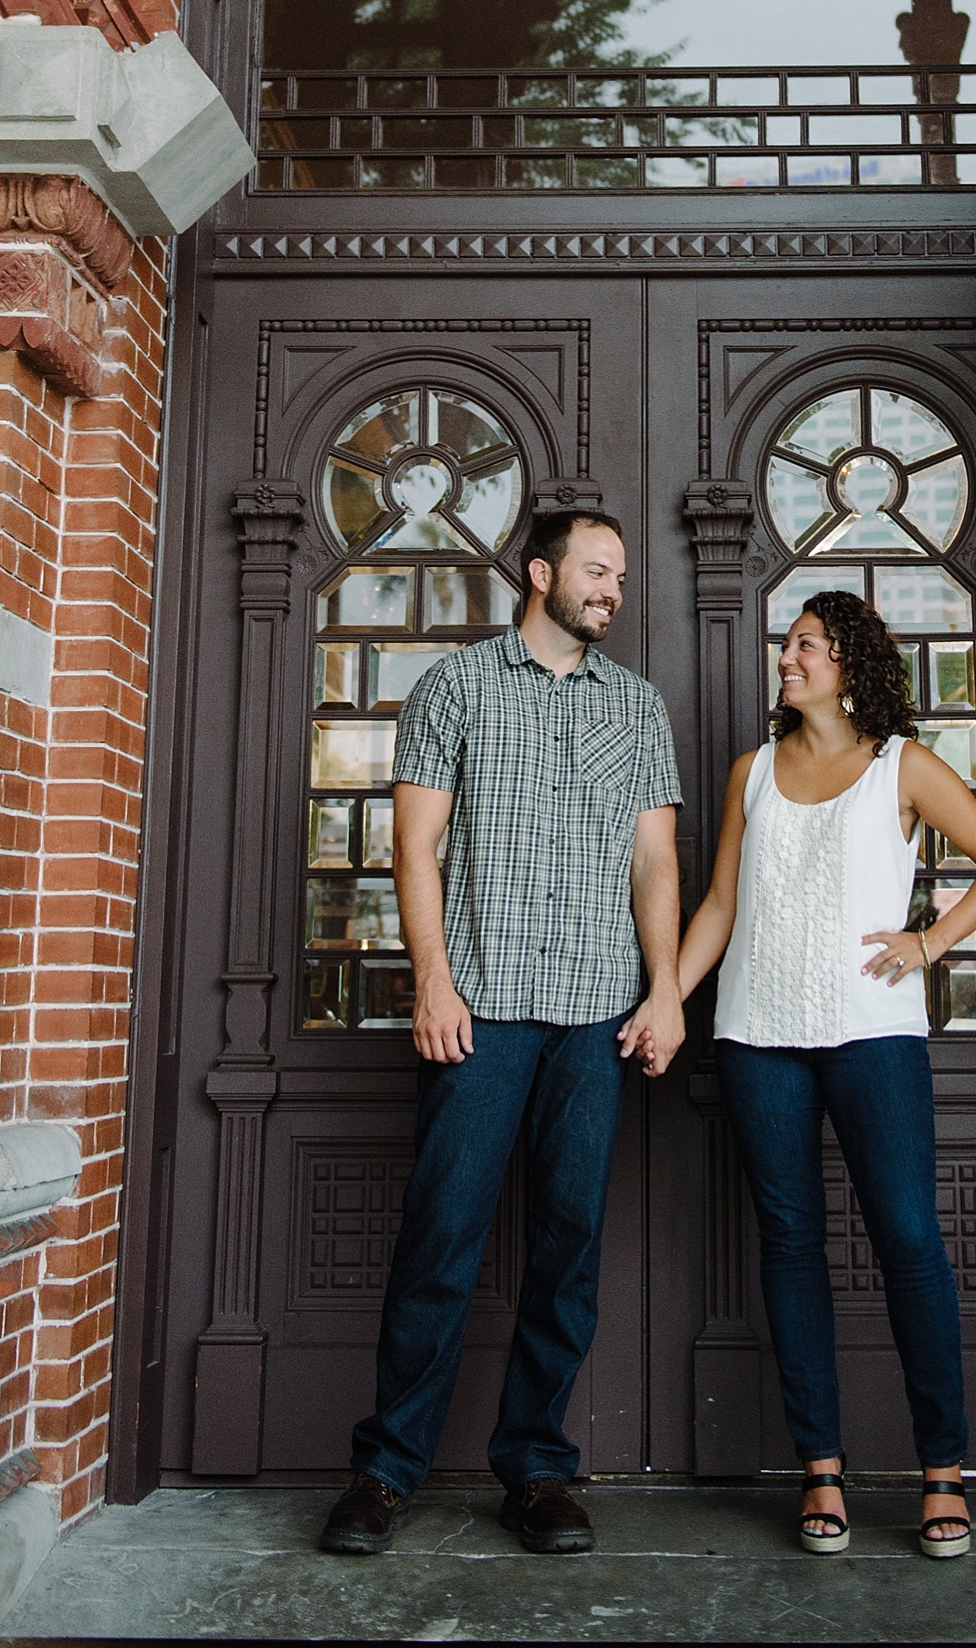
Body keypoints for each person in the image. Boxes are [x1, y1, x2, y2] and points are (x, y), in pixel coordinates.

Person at [623, 588, 976, 1560]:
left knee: (908, 1239)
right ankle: (822, 1468)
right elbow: (720, 900)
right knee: (791, 1244)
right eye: (788, 643)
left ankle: (942, 1470)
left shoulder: (904, 765)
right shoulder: (751, 772)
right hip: (758, 1035)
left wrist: (929, 942)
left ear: (846, 660)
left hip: (874, 1035)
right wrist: (668, 993)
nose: (786, 657)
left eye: (804, 644)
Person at [321, 509, 684, 1559]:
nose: (613, 588)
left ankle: (535, 1467)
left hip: (597, 1018)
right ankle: (385, 1468)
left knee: (566, 1249)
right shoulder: (458, 685)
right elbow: (415, 844)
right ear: (541, 573)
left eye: (620, 573)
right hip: (479, 1010)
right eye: (596, 569)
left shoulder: (638, 705)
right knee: (442, 1239)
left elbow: (654, 861)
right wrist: (431, 979)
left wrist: (664, 989)